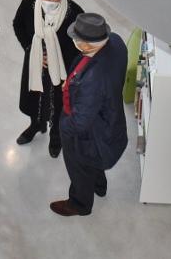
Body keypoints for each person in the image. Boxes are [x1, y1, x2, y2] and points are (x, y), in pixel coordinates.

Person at [51, 12, 129, 217]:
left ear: (85, 45)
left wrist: (63, 127)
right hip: (109, 119)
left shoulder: (93, 79)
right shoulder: (116, 42)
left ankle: (79, 203)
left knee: (80, 166)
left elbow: (80, 122)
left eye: (76, 39)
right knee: (95, 160)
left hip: (89, 132)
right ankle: (99, 186)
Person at [13, 0, 83, 158]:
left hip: (61, 71)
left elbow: (81, 47)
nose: (46, 1)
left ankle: (55, 136)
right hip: (35, 65)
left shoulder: (74, 14)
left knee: (58, 105)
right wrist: (30, 48)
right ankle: (35, 125)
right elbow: (17, 25)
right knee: (33, 98)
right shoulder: (29, 2)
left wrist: (59, 63)